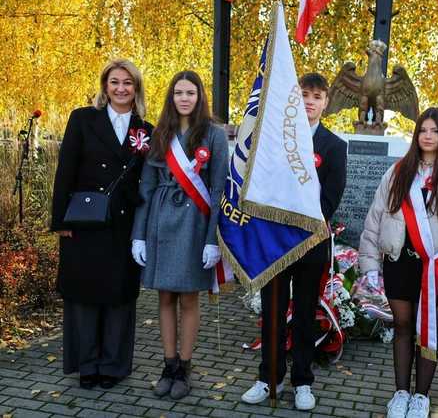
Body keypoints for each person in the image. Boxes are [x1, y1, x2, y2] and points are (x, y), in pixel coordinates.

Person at [359, 107, 438, 418]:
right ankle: (400, 393)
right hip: (400, 264)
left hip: (435, 270)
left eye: (434, 131)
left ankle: (421, 397)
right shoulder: (399, 172)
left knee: (427, 331)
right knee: (401, 326)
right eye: (423, 130)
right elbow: (375, 219)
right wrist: (370, 265)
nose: (428, 136)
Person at [241, 73, 347, 411]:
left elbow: (331, 197)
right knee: (273, 312)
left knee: (303, 315)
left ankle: (303, 381)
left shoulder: (334, 146)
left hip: (311, 243)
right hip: (276, 242)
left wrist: (305, 226)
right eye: (304, 94)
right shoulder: (275, 140)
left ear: (326, 102)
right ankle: (267, 377)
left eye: (317, 96)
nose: (309, 101)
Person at [50, 58, 153, 390]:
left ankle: (113, 364)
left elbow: (147, 181)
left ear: (136, 88)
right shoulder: (83, 119)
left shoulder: (146, 130)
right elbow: (65, 170)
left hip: (123, 226)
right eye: (114, 82)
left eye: (128, 83)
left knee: (119, 295)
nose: (121, 88)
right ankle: (88, 364)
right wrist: (60, 220)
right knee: (84, 294)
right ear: (105, 86)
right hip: (83, 221)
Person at [131, 71, 228, 400]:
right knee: (165, 297)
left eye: (191, 92)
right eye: (178, 93)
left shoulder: (214, 134)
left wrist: (213, 238)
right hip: (160, 220)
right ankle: (168, 364)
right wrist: (139, 235)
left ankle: (184, 367)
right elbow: (146, 186)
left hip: (195, 224)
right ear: (171, 97)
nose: (184, 98)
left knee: (188, 297)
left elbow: (217, 190)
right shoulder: (161, 132)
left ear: (200, 96)